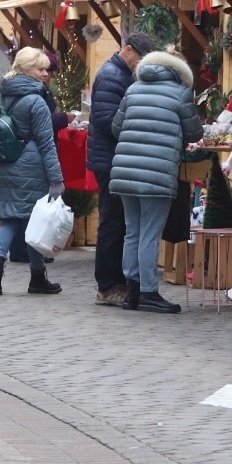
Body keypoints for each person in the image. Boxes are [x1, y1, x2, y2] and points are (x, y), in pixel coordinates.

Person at [110, 50, 201, 313]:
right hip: (157, 173)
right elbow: (194, 132)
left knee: (132, 231)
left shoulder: (133, 89)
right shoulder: (180, 93)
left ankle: (131, 292)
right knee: (150, 232)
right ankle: (149, 291)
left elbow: (116, 128)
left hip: (126, 170)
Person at [0, 47, 64, 296]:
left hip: (5, 164)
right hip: (31, 167)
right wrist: (56, 179)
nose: (45, 73)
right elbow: (46, 143)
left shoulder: (3, 96)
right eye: (40, 68)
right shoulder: (36, 101)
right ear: (26, 69)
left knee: (9, 219)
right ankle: (37, 276)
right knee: (35, 221)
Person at [88, 31, 155, 306]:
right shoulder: (111, 76)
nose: (140, 65)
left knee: (117, 222)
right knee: (112, 223)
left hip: (115, 159)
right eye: (139, 58)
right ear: (127, 50)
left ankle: (115, 282)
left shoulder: (120, 75)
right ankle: (107, 285)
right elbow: (107, 121)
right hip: (110, 161)